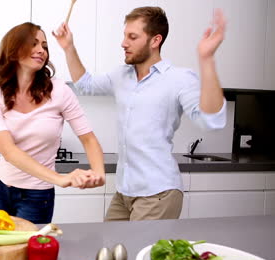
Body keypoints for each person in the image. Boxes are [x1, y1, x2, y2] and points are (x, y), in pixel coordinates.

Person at [53, 7, 227, 221]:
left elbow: (211, 119)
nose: (123, 43)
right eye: (125, 36)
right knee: (109, 251)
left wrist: (207, 60)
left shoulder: (179, 79)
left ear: (155, 41)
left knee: (138, 254)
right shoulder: (121, 76)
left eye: (132, 37)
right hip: (125, 191)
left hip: (158, 193)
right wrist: (69, 48)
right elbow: (85, 85)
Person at [0, 22, 105, 224]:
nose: (41, 51)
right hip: (1, 189)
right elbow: (9, 152)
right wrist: (61, 178)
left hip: (37, 196)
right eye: (34, 44)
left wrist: (98, 173)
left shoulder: (60, 91)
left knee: (30, 252)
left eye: (45, 46)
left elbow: (88, 138)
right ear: (14, 50)